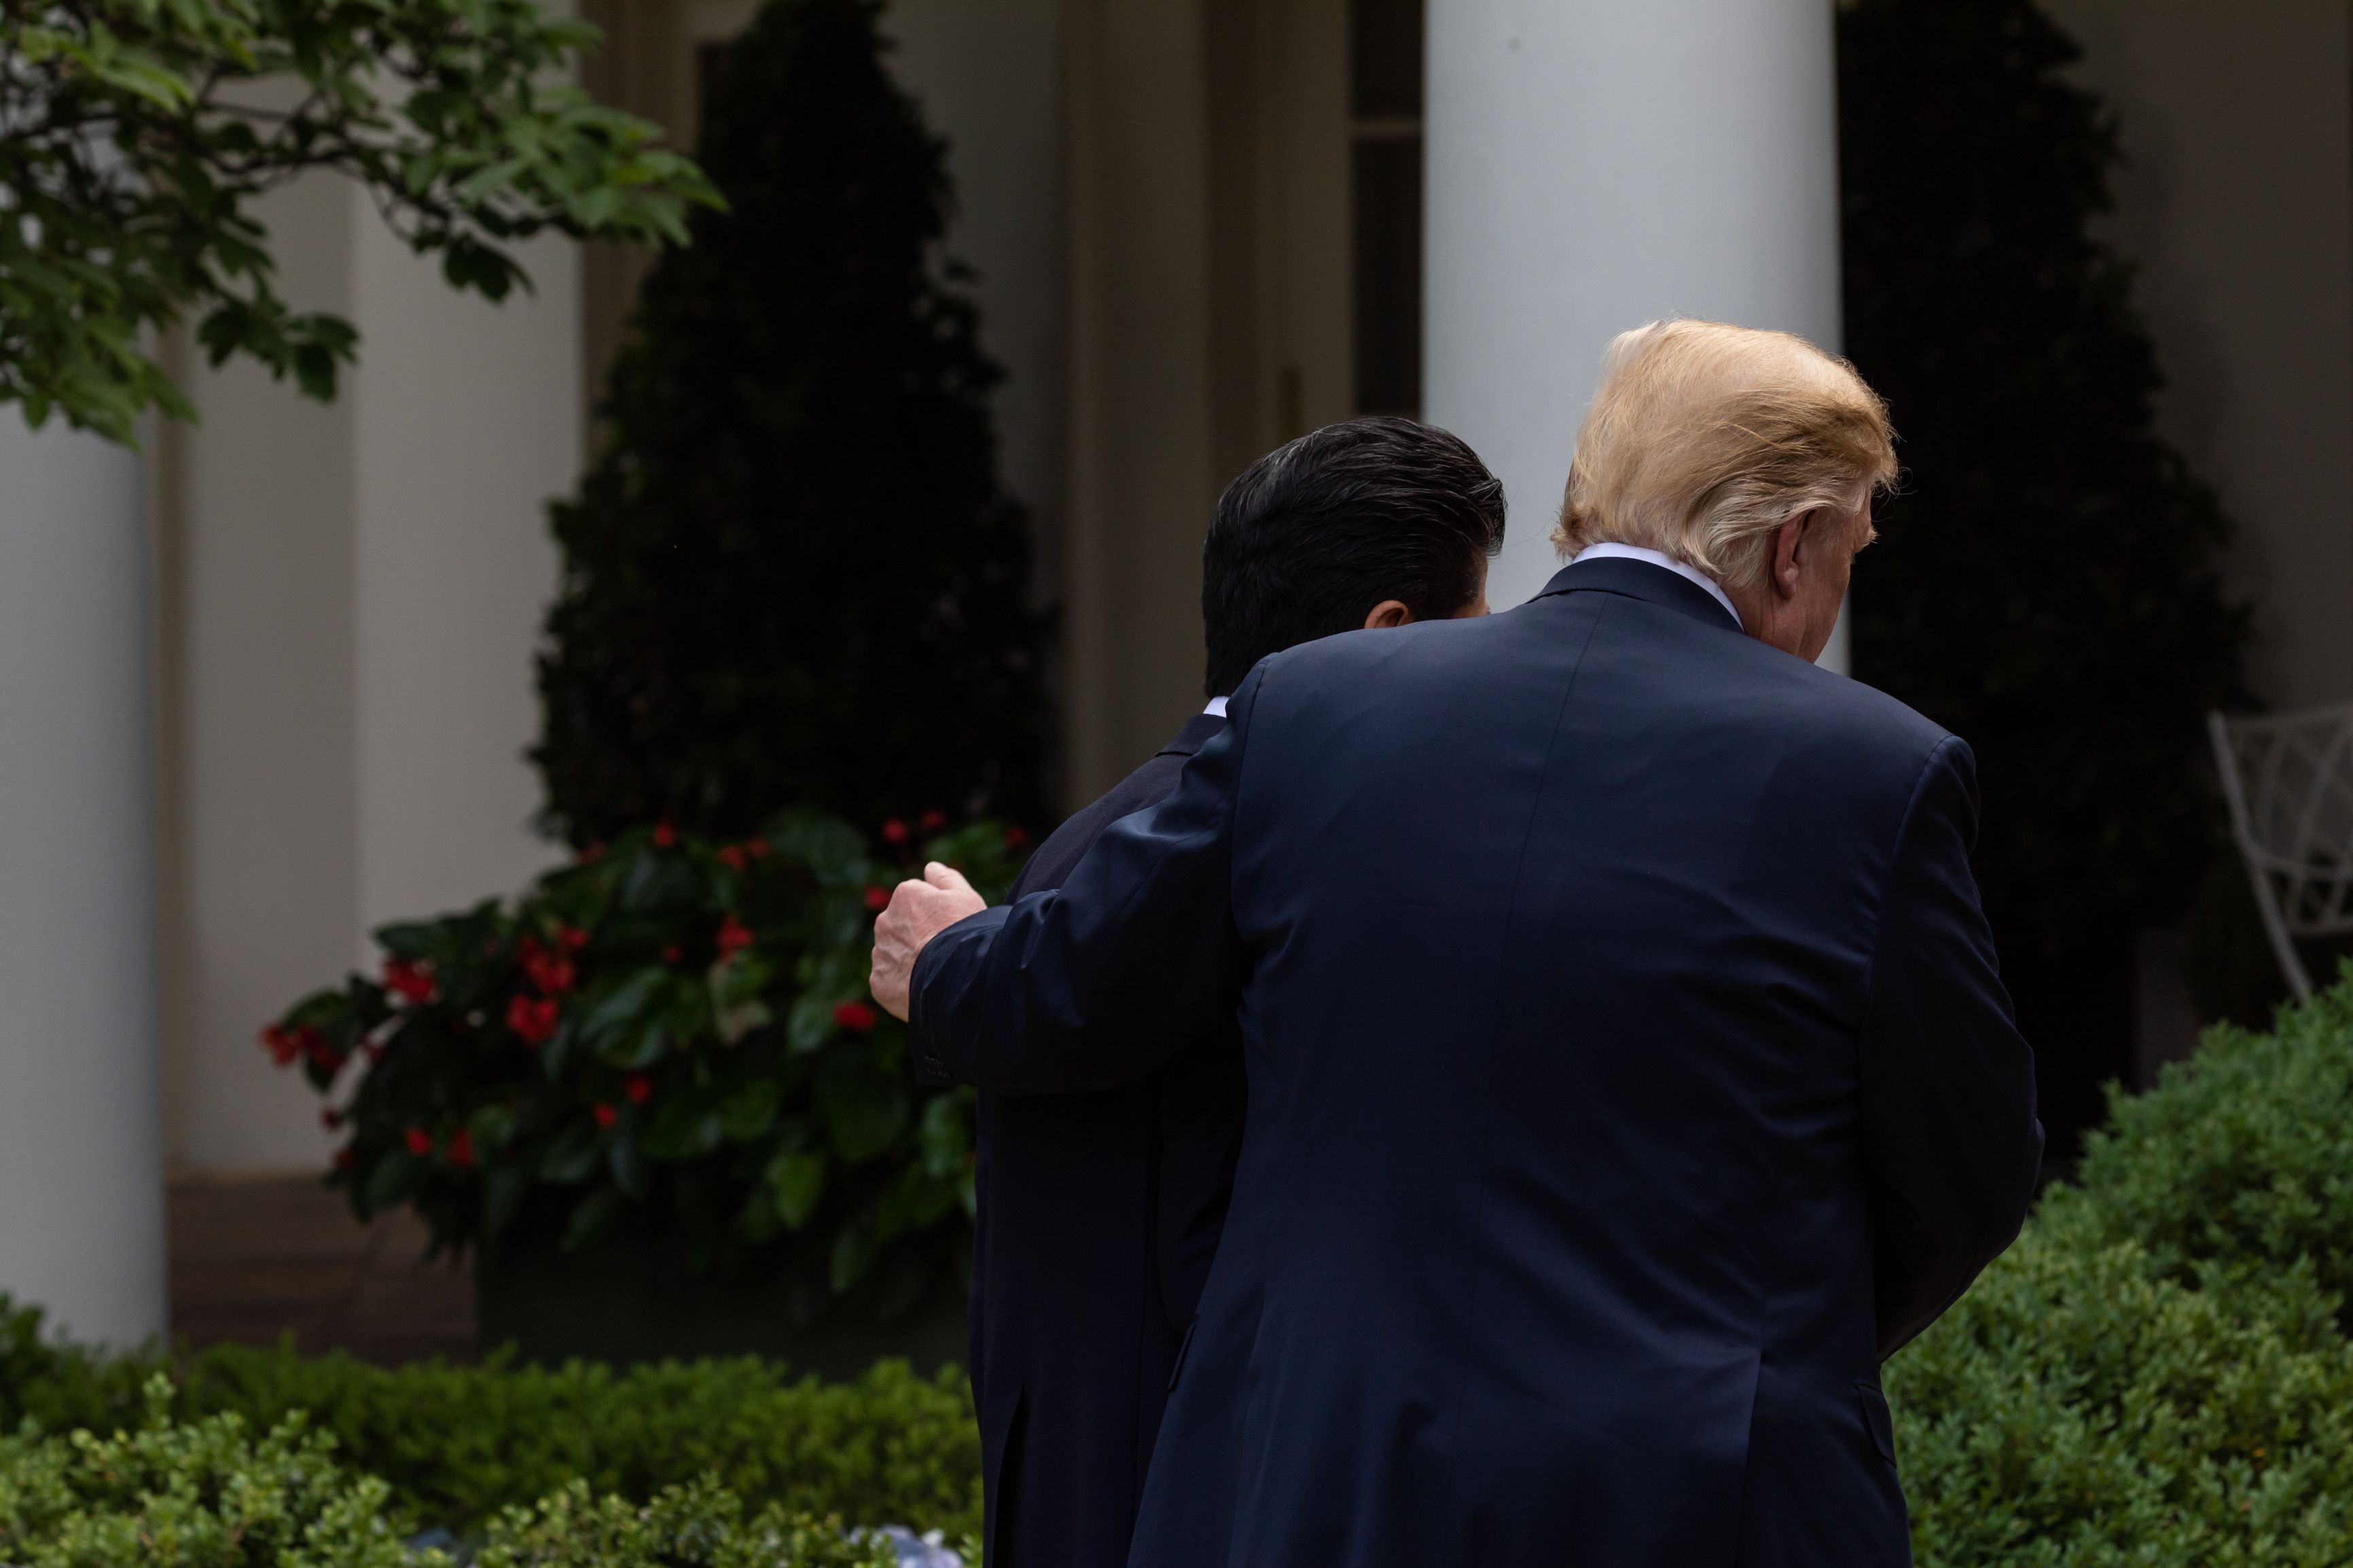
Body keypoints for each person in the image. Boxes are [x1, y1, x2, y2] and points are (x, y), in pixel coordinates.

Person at [876, 320, 2042, 1567]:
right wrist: (1755, 1342)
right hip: (1694, 1492)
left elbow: (1083, 984)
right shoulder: (1877, 770)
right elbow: (1968, 1170)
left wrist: (945, 960)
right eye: (1856, 549)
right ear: (1797, 543)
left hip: (1323, 1484)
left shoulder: (1314, 703)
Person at [945, 418, 1505, 1568]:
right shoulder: (1269, 850)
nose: (1492, 659)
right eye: (1478, 620)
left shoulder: (1090, 843)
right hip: (1193, 1497)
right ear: (1384, 636)